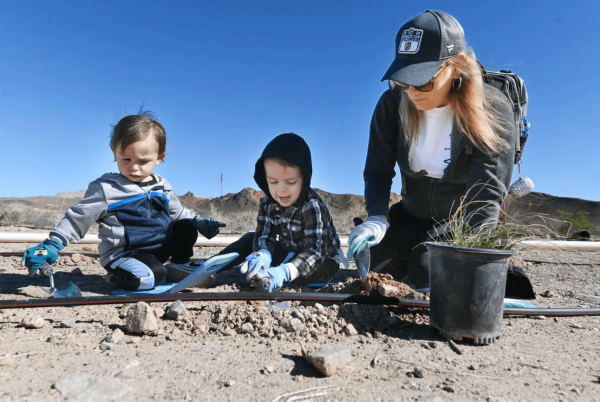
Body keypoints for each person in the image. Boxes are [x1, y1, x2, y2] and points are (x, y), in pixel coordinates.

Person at [347, 10, 516, 288]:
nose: (413, 92)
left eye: (424, 80)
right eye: (404, 80)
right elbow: (378, 170)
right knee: (373, 264)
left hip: (460, 220)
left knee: (428, 269)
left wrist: (473, 253)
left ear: (456, 66)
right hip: (413, 212)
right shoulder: (391, 106)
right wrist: (377, 217)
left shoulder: (492, 108)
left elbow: (485, 194)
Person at [21, 111, 224, 291]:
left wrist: (200, 223)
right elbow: (77, 219)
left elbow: (178, 213)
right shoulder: (106, 189)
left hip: (157, 251)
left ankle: (177, 267)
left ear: (159, 157)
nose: (134, 167)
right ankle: (122, 277)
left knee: (185, 227)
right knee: (147, 278)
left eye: (143, 161)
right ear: (114, 152)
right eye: (126, 159)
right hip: (125, 255)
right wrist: (51, 245)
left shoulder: (161, 185)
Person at [217, 133, 347, 292]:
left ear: (304, 179)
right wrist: (262, 253)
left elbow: (314, 252)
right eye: (273, 182)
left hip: (321, 260)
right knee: (249, 239)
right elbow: (264, 235)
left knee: (312, 270)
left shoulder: (312, 205)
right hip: (289, 251)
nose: (281, 190)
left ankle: (275, 275)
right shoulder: (267, 201)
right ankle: (210, 269)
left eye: (291, 182)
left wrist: (284, 271)